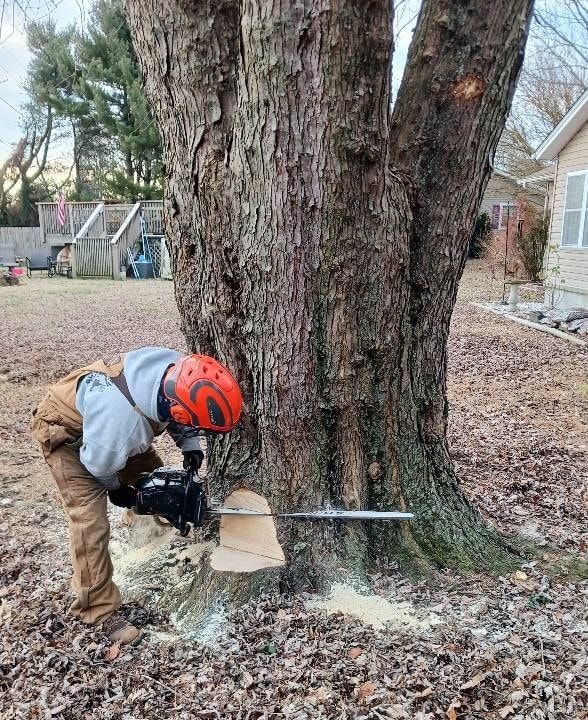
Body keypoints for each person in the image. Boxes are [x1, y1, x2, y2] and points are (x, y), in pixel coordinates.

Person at [31, 347, 243, 645]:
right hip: (68, 434)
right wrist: (119, 491)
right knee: (90, 522)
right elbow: (100, 466)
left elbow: (181, 414)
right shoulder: (121, 431)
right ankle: (96, 610)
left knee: (157, 481)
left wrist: (190, 444)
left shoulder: (177, 370)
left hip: (112, 419)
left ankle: (150, 539)